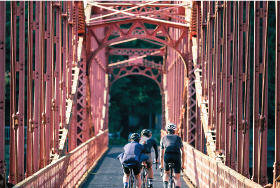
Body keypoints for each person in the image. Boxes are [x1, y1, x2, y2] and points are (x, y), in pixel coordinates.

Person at [160, 123, 185, 188]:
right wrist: (183, 165)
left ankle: (165, 186)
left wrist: (161, 165)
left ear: (166, 131)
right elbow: (183, 152)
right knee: (177, 177)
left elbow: (161, 154)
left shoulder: (163, 138)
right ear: (175, 131)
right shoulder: (178, 138)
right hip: (177, 156)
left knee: (166, 173)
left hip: (167, 156)